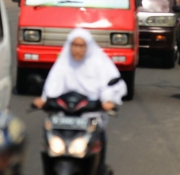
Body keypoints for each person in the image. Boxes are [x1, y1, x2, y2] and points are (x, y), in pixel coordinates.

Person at [33, 28, 126, 175]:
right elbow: (52, 87)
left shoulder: (99, 62)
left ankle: (98, 169)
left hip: (90, 116)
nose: (77, 49)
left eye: (81, 46)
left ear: (88, 47)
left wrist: (107, 100)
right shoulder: (63, 64)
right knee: (47, 140)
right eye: (74, 45)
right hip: (64, 117)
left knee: (100, 137)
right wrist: (43, 100)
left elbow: (110, 84)